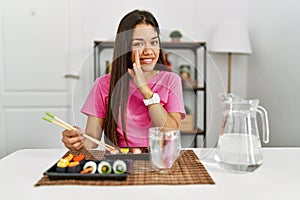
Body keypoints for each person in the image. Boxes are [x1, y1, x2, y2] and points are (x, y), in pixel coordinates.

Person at [62, 9, 186, 150]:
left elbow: (171, 131)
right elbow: (92, 139)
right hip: (121, 162)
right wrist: (77, 141)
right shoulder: (103, 84)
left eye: (154, 42)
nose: (149, 51)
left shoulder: (171, 80)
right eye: (139, 44)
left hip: (161, 161)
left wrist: (145, 90)